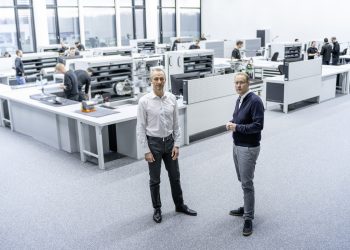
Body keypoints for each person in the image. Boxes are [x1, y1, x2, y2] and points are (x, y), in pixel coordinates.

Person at [137, 68, 197, 224]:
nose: (159, 82)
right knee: (155, 180)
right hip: (154, 144)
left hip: (170, 143)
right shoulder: (144, 101)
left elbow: (176, 125)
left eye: (161, 79)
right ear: (151, 80)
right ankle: (157, 209)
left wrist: (177, 144)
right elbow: (140, 128)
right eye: (156, 79)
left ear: (165, 80)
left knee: (175, 177)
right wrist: (146, 150)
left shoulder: (171, 99)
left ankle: (179, 205)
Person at [226, 72, 264, 237]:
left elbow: (258, 126)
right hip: (237, 145)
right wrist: (233, 123)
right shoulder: (239, 99)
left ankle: (248, 217)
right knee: (242, 180)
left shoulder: (255, 101)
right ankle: (246, 207)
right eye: (236, 83)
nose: (238, 86)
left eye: (241, 83)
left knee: (247, 183)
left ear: (248, 83)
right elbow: (240, 119)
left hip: (248, 147)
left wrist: (236, 128)